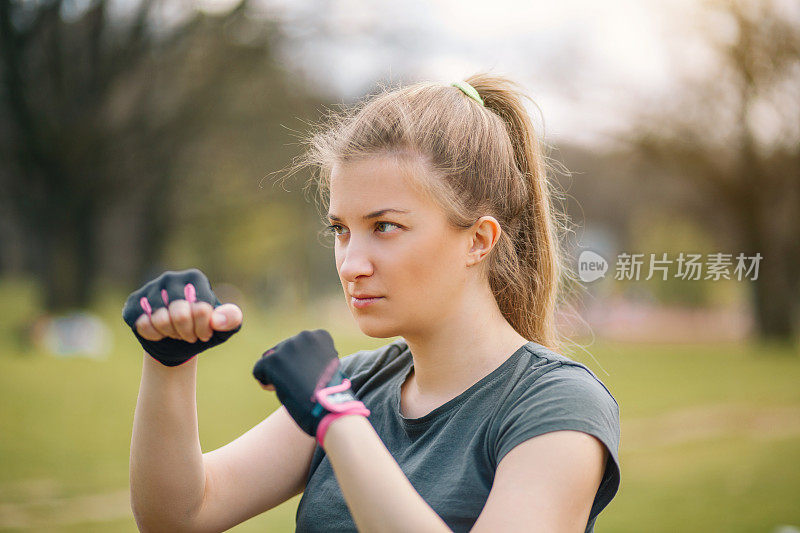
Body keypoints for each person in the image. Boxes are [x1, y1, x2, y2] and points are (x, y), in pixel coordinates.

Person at [124, 73, 621, 532]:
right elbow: (181, 516)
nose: (350, 264)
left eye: (385, 226)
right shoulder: (357, 383)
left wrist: (339, 422)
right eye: (341, 230)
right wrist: (168, 361)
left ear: (478, 240)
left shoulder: (556, 404)